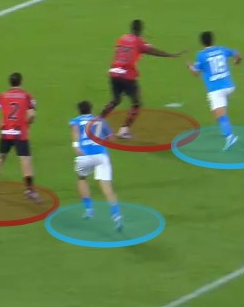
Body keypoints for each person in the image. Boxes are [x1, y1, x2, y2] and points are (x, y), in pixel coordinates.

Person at [102, 19, 182, 139]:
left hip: (114, 72)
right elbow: (153, 51)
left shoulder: (122, 38)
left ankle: (96, 121)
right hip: (127, 75)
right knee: (136, 104)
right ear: (141, 29)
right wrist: (170, 55)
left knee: (115, 101)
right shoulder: (139, 42)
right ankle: (124, 130)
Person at [70, 100, 124, 231]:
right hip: (101, 155)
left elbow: (75, 130)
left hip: (85, 155)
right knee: (107, 187)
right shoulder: (101, 120)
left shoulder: (76, 120)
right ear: (91, 109)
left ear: (79, 111)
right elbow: (111, 139)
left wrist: (76, 145)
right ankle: (116, 215)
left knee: (82, 179)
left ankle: (89, 209)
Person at [0, 72, 41, 201]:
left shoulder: (2, 96)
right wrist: (28, 122)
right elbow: (32, 114)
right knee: (25, 160)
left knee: (0, 159)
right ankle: (29, 190)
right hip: (20, 133)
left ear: (10, 82)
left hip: (6, 133)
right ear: (21, 82)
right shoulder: (26, 96)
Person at [190, 32, 243, 148]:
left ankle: (229, 136)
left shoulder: (201, 55)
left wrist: (190, 67)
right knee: (220, 110)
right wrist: (237, 61)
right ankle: (225, 129)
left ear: (202, 42)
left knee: (220, 114)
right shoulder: (222, 49)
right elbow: (238, 54)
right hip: (229, 86)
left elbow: (195, 73)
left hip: (216, 89)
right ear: (213, 40)